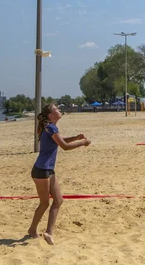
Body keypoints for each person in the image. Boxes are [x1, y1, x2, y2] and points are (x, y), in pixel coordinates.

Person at [28, 103, 91, 245]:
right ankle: (32, 230)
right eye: (57, 109)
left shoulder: (51, 127)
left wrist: (75, 137)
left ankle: (49, 232)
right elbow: (65, 146)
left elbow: (59, 142)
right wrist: (82, 142)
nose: (60, 110)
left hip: (48, 169)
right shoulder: (50, 127)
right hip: (41, 170)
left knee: (58, 200)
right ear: (51, 115)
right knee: (44, 203)